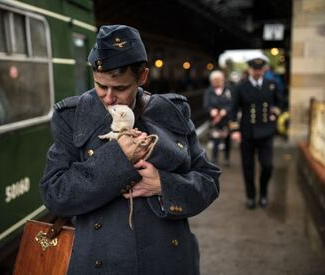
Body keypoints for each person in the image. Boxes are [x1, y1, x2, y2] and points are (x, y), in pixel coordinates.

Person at [39, 25, 220, 275]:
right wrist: (118, 158)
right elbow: (54, 194)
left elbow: (209, 181)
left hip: (167, 261)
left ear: (142, 77)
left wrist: (163, 185)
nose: (109, 98)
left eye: (120, 88)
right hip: (101, 264)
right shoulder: (71, 117)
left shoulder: (173, 111)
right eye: (101, 86)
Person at [229, 54, 282, 209]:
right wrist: (235, 130)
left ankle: (263, 193)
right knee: (248, 167)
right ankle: (251, 196)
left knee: (267, 166)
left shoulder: (271, 84)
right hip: (247, 132)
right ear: (250, 69)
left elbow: (280, 101)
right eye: (254, 69)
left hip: (266, 131)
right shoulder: (241, 87)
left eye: (260, 69)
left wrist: (275, 113)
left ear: (264, 69)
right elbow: (233, 109)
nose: (257, 72)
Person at [203, 70, 233, 166]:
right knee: (215, 139)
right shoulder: (209, 91)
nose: (216, 82)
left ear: (222, 80)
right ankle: (214, 158)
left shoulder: (228, 90)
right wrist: (211, 110)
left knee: (227, 140)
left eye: (218, 80)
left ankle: (227, 158)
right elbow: (206, 104)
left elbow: (232, 103)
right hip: (215, 120)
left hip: (226, 120)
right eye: (214, 80)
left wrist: (226, 110)